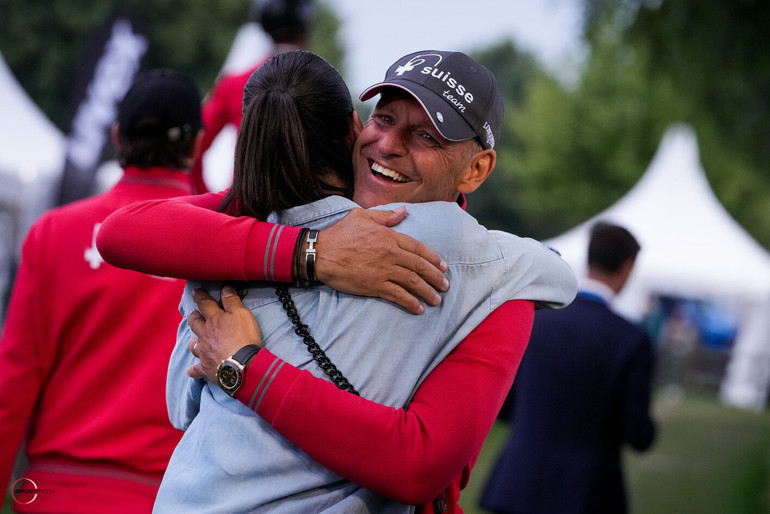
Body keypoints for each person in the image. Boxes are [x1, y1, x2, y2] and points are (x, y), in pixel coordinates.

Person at [99, 50, 577, 512]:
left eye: (427, 137)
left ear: (477, 169)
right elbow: (122, 233)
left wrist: (244, 366)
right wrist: (313, 253)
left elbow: (420, 464)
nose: (389, 145)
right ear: (355, 126)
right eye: (384, 119)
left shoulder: (496, 284)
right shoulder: (272, 212)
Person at [0, 69, 204, 512]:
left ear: (117, 136)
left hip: (53, 495)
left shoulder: (53, 233)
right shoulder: (228, 243)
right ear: (196, 145)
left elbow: (11, 388)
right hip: (172, 498)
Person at [479, 221, 657, 514]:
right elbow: (637, 433)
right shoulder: (630, 338)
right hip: (587, 493)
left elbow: (504, 405)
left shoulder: (537, 319)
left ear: (589, 257)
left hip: (517, 484)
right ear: (627, 267)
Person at [191, 0, 315, 193]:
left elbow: (193, 147)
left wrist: (211, 203)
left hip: (244, 206)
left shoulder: (233, 83)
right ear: (305, 30)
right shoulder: (322, 88)